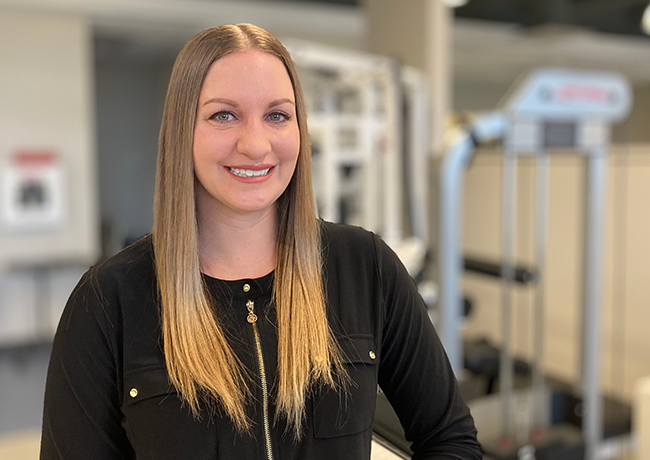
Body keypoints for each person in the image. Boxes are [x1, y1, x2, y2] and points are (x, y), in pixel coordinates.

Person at [40, 24, 482, 460]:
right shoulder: (107, 301)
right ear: (182, 132)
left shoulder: (365, 267)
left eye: (277, 115)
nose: (255, 144)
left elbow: (451, 440)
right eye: (223, 115)